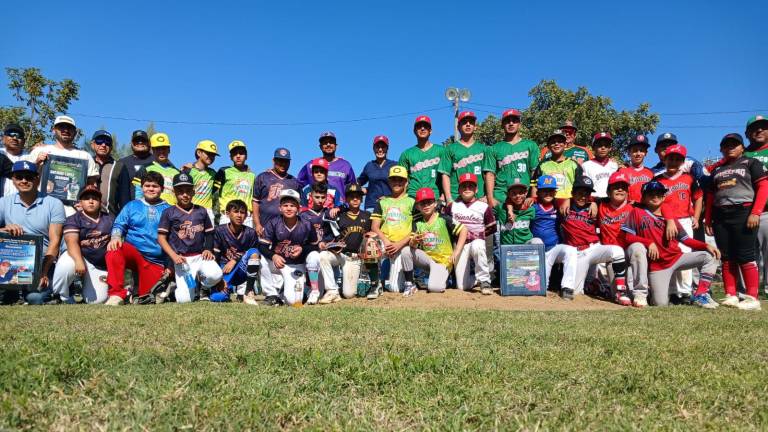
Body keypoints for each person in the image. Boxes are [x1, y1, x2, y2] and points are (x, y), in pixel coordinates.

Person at [622, 181, 720, 308]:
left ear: (664, 197)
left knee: (711, 256)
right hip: (658, 266)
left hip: (676, 258)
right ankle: (650, 291)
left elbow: (686, 240)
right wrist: (648, 242)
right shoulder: (637, 212)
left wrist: (706, 245)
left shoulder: (671, 218)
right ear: (644, 197)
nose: (655, 197)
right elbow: (628, 237)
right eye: (651, 194)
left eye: (659, 194)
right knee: (660, 304)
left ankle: (701, 294)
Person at [706, 133, 768, 310]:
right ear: (721, 149)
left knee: (746, 255)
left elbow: (764, 187)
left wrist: (755, 212)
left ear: (742, 147)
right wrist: (708, 219)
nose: (730, 148)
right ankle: (731, 294)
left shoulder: (751, 163)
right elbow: (710, 196)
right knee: (726, 257)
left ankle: (752, 297)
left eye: (734, 144)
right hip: (720, 215)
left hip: (744, 211)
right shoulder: (716, 170)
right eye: (726, 145)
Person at [0, 161, 65, 305]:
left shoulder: (54, 203)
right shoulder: (3, 203)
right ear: (13, 180)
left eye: (29, 177)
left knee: (35, 298)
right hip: (9, 262)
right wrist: (3, 230)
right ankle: (11, 292)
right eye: (19, 177)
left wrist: (43, 272)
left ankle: (50, 293)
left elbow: (55, 241)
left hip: (42, 263)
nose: (24, 180)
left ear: (37, 179)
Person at [106, 171, 171, 306]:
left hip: (155, 260)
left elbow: (173, 239)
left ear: (162, 189)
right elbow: (119, 224)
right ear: (142, 188)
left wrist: (169, 264)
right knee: (114, 249)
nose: (151, 189)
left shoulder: (169, 209)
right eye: (147, 185)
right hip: (133, 252)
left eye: (155, 186)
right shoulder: (132, 206)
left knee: (147, 297)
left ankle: (134, 291)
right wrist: (116, 237)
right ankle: (116, 294)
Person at [559, 176, 628, 302]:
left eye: (587, 194)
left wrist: (595, 203)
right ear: (572, 193)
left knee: (617, 251)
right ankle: (596, 286)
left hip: (594, 248)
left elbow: (609, 198)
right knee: (575, 292)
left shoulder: (595, 206)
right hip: (577, 254)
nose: (583, 197)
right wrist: (567, 200)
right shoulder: (564, 206)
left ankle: (621, 291)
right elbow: (545, 199)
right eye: (579, 193)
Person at [157, 172, 222, 303]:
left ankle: (203, 286)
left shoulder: (201, 210)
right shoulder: (169, 212)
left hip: (200, 255)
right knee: (184, 300)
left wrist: (208, 249)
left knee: (216, 275)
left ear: (193, 192)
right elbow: (161, 238)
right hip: (183, 260)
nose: (185, 194)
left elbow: (209, 233)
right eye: (180, 191)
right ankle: (177, 285)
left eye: (188, 190)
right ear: (174, 192)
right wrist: (174, 256)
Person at [655, 144, 702, 302]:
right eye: (671, 158)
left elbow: (698, 197)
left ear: (682, 161)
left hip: (684, 220)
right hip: (665, 221)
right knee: (668, 254)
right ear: (665, 159)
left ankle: (685, 291)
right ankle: (672, 291)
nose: (673, 162)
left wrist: (696, 216)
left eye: (677, 159)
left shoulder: (689, 178)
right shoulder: (659, 179)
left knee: (685, 255)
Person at [51, 186, 113, 304]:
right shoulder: (73, 219)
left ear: (100, 202)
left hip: (99, 264)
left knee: (96, 300)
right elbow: (71, 242)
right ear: (80, 202)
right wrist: (79, 261)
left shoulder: (109, 219)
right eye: (86, 198)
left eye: (94, 198)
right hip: (79, 257)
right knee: (66, 264)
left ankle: (86, 288)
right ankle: (61, 296)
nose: (91, 201)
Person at [257, 189, 318, 306]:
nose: (289, 208)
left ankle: (313, 290)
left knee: (293, 301)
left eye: (292, 205)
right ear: (280, 208)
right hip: (280, 263)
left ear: (298, 208)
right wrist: (273, 255)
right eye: (285, 205)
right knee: (260, 258)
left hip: (297, 265)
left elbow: (315, 247)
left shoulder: (307, 224)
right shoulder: (273, 223)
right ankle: (271, 295)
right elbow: (262, 246)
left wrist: (302, 249)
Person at [317, 183, 377, 301]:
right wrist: (327, 243)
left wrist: (372, 236)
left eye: (358, 196)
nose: (355, 199)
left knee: (349, 294)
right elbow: (329, 234)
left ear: (362, 199)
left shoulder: (368, 216)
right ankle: (332, 290)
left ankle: (376, 282)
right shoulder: (339, 215)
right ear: (346, 199)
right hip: (340, 254)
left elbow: (374, 232)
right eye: (351, 196)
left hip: (355, 258)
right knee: (323, 256)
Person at [29, 116, 99, 214]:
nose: (65, 130)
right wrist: (36, 163)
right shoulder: (39, 151)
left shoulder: (85, 156)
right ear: (53, 130)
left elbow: (92, 185)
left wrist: (85, 202)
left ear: (75, 132)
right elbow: (23, 179)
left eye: (69, 128)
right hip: (41, 210)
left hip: (73, 214)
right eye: (61, 127)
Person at [403, 187, 466, 293]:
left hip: (443, 261)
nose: (426, 206)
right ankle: (410, 284)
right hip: (427, 259)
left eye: (429, 202)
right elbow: (412, 246)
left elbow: (464, 230)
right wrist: (414, 241)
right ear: (418, 206)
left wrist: (457, 251)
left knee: (434, 288)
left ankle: (446, 279)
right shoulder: (417, 222)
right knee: (406, 251)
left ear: (435, 203)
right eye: (422, 203)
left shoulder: (444, 219)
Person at [528, 175, 578, 297]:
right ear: (538, 192)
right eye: (544, 190)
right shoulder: (532, 206)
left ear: (555, 192)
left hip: (553, 249)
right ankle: (540, 286)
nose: (548, 193)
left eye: (551, 190)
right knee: (537, 241)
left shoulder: (558, 205)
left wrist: (570, 200)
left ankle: (567, 288)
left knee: (571, 250)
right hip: (536, 248)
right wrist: (530, 198)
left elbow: (580, 198)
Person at [596, 172, 641, 306]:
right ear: (609, 192)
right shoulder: (600, 206)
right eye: (616, 187)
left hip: (629, 253)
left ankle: (642, 293)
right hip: (612, 257)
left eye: (623, 187)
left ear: (628, 192)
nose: (620, 189)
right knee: (615, 295)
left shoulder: (635, 208)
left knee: (639, 250)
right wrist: (593, 203)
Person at [446, 173, 495, 294]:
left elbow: (490, 229)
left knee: (478, 245)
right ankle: (476, 279)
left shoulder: (483, 206)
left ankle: (485, 281)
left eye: (471, 186)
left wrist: (478, 236)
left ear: (476, 189)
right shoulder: (452, 206)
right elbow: (446, 227)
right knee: (462, 286)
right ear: (459, 189)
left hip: (476, 242)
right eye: (464, 186)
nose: (467, 189)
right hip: (459, 245)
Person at [370, 165, 416, 294]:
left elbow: (416, 230)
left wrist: (398, 244)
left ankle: (408, 281)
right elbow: (374, 226)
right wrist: (386, 241)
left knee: (395, 289)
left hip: (402, 245)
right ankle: (374, 282)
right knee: (369, 243)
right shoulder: (382, 202)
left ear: (406, 182)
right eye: (394, 179)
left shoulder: (412, 202)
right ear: (389, 182)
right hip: (386, 243)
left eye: (400, 179)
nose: (397, 182)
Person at [482, 109, 539, 209]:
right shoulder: (493, 148)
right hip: (500, 198)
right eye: (507, 121)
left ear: (519, 124)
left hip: (523, 198)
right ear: (502, 125)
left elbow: (534, 173)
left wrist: (533, 196)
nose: (511, 123)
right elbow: (490, 174)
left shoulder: (531, 145)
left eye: (514, 120)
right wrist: (490, 198)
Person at [213, 199, 261, 305]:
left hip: (241, 269)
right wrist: (219, 279)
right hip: (224, 270)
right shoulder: (219, 230)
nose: (239, 215)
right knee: (217, 298)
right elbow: (215, 256)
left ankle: (248, 291)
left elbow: (256, 255)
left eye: (242, 212)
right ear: (227, 213)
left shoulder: (251, 232)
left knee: (254, 252)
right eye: (235, 212)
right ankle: (226, 290)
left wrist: (235, 260)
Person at [743, 114, 768, 294]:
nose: (758, 130)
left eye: (763, 127)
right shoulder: (742, 154)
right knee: (748, 254)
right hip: (745, 212)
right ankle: (749, 291)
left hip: (767, 211)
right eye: (754, 128)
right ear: (747, 133)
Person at [531, 129, 583, 213]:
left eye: (560, 141)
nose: (556, 144)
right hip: (547, 207)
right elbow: (534, 183)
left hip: (568, 206)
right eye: (553, 142)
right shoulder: (542, 165)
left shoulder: (574, 164)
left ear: (565, 145)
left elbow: (581, 187)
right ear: (548, 146)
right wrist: (533, 199)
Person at [440, 111, 486, 204]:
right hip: (456, 199)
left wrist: (487, 196)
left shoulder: (484, 149)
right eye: (464, 122)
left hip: (479, 198)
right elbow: (445, 174)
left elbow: (488, 175)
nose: (468, 124)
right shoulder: (450, 149)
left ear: (475, 126)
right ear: (458, 127)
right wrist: (448, 198)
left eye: (471, 122)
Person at [252, 147, 300, 235]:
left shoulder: (294, 181)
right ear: (274, 160)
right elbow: (255, 202)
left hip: (286, 228)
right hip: (264, 225)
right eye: (280, 160)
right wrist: (257, 224)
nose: (283, 164)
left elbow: (299, 206)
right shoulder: (262, 177)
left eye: (286, 161)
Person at [297, 132, 356, 202]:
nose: (328, 144)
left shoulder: (345, 165)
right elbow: (298, 184)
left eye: (331, 142)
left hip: (338, 209)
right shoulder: (311, 164)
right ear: (320, 147)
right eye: (325, 143)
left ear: (336, 146)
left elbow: (353, 188)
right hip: (315, 209)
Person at [398, 115, 446, 199]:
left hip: (435, 197)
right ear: (414, 131)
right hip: (412, 197)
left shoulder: (441, 151)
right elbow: (401, 180)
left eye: (425, 126)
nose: (422, 128)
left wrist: (443, 196)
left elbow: (447, 175)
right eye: (419, 126)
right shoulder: (406, 154)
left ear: (430, 131)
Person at [299, 182, 331, 305]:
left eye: (323, 197)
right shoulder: (303, 215)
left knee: (325, 291)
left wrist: (326, 242)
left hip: (326, 252)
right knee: (313, 257)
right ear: (310, 196)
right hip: (309, 251)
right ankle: (313, 290)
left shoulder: (328, 213)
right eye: (317, 197)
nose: (320, 200)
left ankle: (317, 289)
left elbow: (332, 233)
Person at [109, 130, 154, 216]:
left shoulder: (157, 161)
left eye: (143, 140)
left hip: (153, 211)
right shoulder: (122, 163)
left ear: (149, 143)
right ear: (132, 144)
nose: (140, 143)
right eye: (136, 140)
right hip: (129, 212)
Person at [215, 140, 256, 227]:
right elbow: (211, 189)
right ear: (230, 157)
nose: (238, 156)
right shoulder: (223, 171)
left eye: (241, 153)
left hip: (246, 216)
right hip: (228, 215)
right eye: (234, 154)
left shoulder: (252, 175)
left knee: (246, 241)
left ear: (246, 156)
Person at [132, 132, 180, 205]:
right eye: (158, 149)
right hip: (151, 211)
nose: (161, 152)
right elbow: (138, 192)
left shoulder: (177, 172)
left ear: (169, 150)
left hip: (172, 212)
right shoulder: (145, 168)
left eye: (164, 148)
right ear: (152, 150)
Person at [357, 135, 397, 213]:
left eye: (383, 147)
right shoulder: (369, 165)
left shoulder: (394, 165)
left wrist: (388, 197)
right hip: (371, 206)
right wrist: (360, 189)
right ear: (373, 149)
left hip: (390, 205)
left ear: (387, 148)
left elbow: (401, 185)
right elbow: (359, 181)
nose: (380, 149)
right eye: (377, 147)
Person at [185, 140, 220, 223]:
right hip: (191, 210)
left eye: (213, 155)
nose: (211, 157)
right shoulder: (188, 170)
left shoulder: (214, 173)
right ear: (199, 152)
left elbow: (216, 189)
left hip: (207, 212)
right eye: (208, 153)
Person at [581, 132, 620, 199]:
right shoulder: (586, 165)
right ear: (593, 148)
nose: (603, 148)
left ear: (610, 148)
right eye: (599, 145)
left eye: (606, 145)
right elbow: (584, 187)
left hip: (611, 201)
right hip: (593, 200)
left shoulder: (614, 165)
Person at [617, 134, 654, 203]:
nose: (638, 154)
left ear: (646, 153)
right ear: (629, 153)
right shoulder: (622, 172)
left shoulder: (651, 173)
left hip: (646, 211)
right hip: (627, 211)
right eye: (635, 150)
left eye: (641, 150)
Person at [90, 130, 115, 214]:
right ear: (92, 144)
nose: (103, 145)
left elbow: (124, 197)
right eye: (99, 141)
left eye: (107, 142)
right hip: (85, 215)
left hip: (110, 217)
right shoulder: (86, 163)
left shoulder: (119, 166)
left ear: (111, 147)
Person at [1, 123, 29, 197]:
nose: (14, 138)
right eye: (11, 134)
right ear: (3, 138)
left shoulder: (31, 158)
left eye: (18, 135)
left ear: (24, 141)